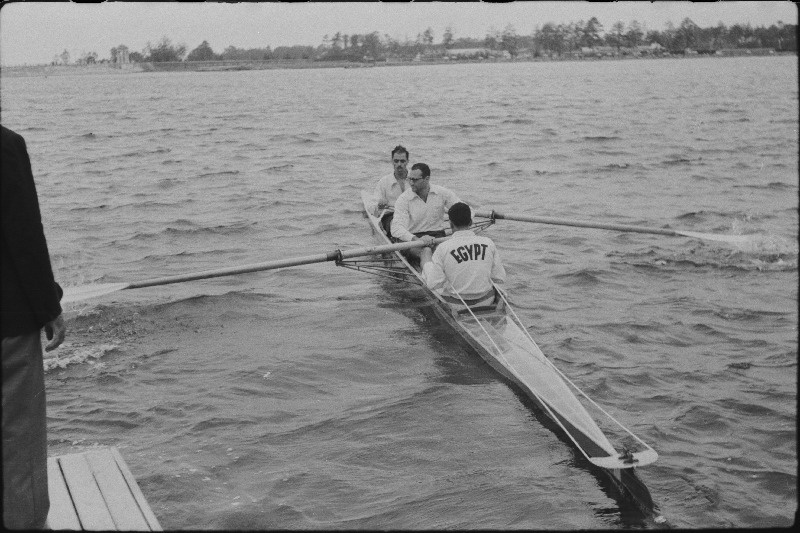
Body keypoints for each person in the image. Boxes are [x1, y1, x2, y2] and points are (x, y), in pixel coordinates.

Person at [2, 125, 67, 529]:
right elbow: (24, 236)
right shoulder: (5, 146)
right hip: (7, 323)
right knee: (19, 429)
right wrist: (49, 306)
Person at [420, 202, 506, 308]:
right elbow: (499, 278)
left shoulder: (443, 247)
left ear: (450, 224)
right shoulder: (488, 243)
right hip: (486, 301)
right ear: (471, 222)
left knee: (426, 254)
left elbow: (433, 283)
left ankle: (426, 252)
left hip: (456, 305)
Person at [390, 162, 461, 259]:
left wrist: (457, 231)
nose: (411, 183)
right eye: (409, 179)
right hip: (413, 238)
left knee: (446, 253)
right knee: (426, 251)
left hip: (437, 236)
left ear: (427, 179)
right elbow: (396, 228)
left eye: (415, 180)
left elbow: (465, 210)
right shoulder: (403, 199)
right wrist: (417, 239)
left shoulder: (442, 192)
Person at [374, 145, 410, 235]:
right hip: (391, 216)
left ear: (407, 161)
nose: (399, 164)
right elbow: (373, 204)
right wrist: (379, 203)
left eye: (402, 161)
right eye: (396, 161)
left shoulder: (415, 180)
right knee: (396, 224)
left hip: (411, 215)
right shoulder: (384, 182)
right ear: (392, 161)